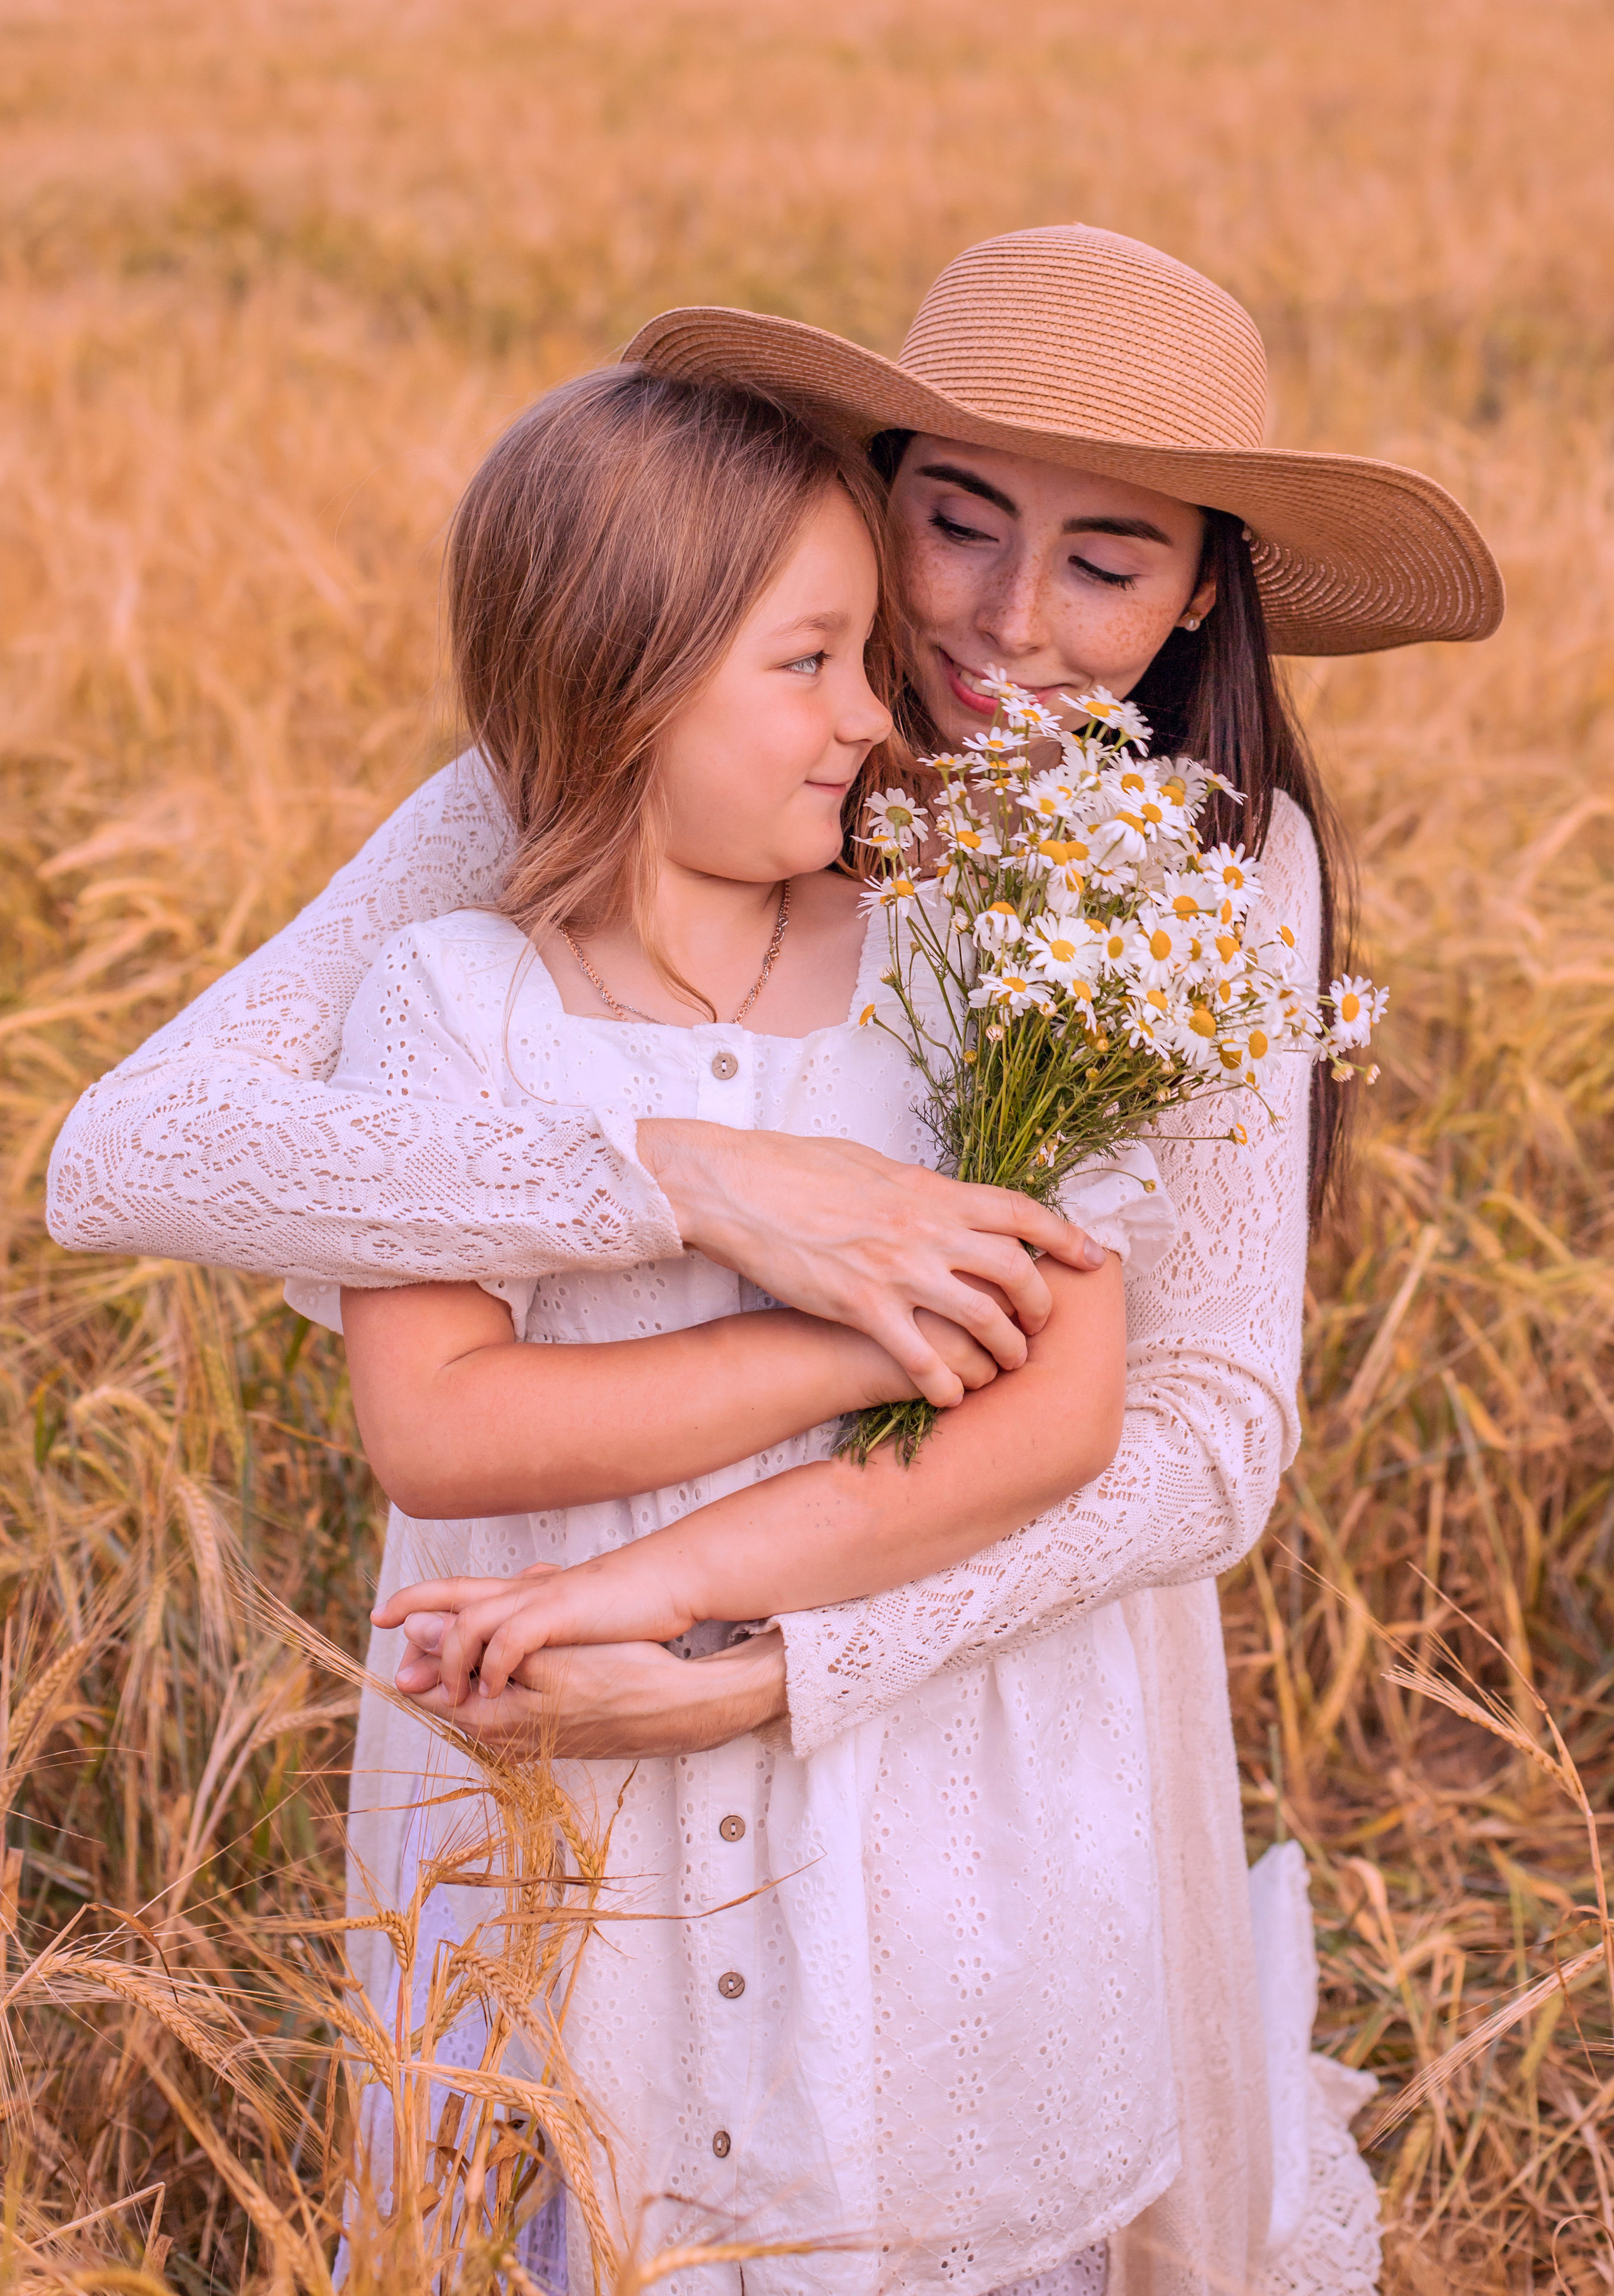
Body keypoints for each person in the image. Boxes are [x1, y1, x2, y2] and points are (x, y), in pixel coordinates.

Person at [46, 225, 1504, 2296]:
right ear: (875, 488)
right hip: (571, 1729)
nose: (1007, 621)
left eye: (1104, 563)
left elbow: (1203, 1428)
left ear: (1202, 591)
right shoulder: (619, 758)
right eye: (958, 524)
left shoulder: (1206, 855)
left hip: (989, 1683)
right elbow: (130, 1153)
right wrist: (688, 1176)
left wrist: (776, 1665)